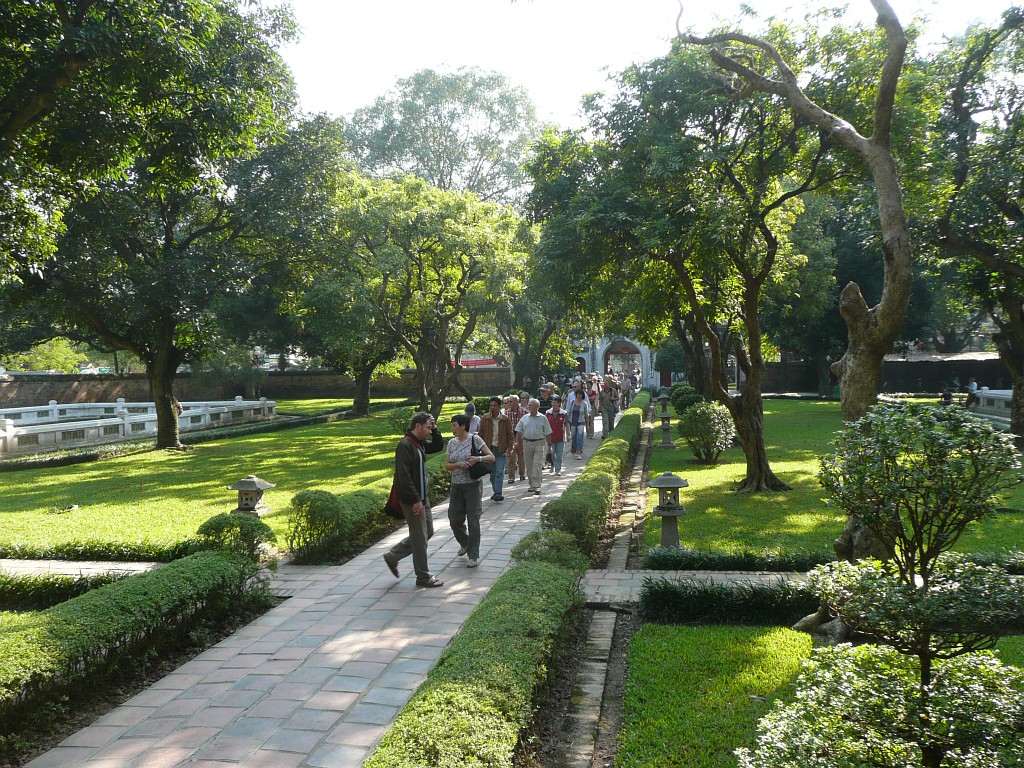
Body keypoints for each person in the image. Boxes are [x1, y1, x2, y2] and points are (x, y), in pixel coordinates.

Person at [383, 412, 445, 587]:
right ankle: (423, 576)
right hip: (413, 500)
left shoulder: (419, 443)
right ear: (417, 427)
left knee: (427, 532)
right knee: (420, 538)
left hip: (421, 498)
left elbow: (438, 446)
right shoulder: (405, 445)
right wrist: (415, 500)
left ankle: (393, 556)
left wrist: (435, 428)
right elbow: (404, 477)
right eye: (427, 428)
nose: (429, 431)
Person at [444, 413, 494, 568]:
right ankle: (466, 542)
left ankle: (473, 555)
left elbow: (491, 457)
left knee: (473, 521)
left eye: (454, 425)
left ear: (463, 426)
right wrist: (458, 464)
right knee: (454, 520)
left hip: (472, 486)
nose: (452, 428)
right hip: (456, 486)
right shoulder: (451, 443)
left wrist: (477, 459)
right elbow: (447, 466)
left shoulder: (475, 439)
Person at [514, 398, 553, 494]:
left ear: (536, 407)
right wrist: (517, 442)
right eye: (529, 404)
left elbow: (548, 433)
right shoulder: (524, 418)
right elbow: (518, 431)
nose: (528, 406)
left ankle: (537, 485)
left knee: (537, 464)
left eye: (531, 404)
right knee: (529, 465)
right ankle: (531, 484)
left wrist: (549, 446)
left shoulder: (543, 418)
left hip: (539, 443)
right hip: (526, 443)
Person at [478, 396, 512, 501]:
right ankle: (495, 491)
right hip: (489, 449)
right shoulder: (485, 418)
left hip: (500, 449)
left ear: (499, 406)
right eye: (491, 406)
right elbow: (480, 434)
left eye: (495, 406)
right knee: (492, 473)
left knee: (499, 471)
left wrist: (510, 448)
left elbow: (510, 435)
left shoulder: (505, 419)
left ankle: (498, 492)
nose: (492, 408)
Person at [505, 394, 526, 485]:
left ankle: (522, 474)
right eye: (508, 401)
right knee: (511, 458)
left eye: (510, 401)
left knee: (521, 457)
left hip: (520, 436)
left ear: (516, 402)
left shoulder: (524, 412)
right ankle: (511, 477)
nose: (508, 403)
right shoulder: (507, 413)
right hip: (510, 437)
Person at [545, 394, 569, 475]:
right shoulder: (548, 413)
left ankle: (558, 469)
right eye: (552, 402)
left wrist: (568, 434)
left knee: (559, 454)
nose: (553, 404)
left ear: (559, 403)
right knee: (552, 453)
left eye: (555, 402)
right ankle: (552, 465)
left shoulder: (564, 413)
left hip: (560, 437)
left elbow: (566, 424)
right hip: (550, 437)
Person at [566, 383, 591, 459]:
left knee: (580, 436)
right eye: (577, 394)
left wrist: (587, 425)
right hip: (573, 421)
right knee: (574, 436)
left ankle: (579, 451)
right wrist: (567, 422)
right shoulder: (572, 402)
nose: (579, 395)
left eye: (580, 394)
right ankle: (574, 448)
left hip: (581, 422)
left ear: (582, 395)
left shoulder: (584, 404)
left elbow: (586, 415)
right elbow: (568, 411)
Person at [599, 374, 619, 438]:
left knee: (611, 422)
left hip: (611, 408)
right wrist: (600, 408)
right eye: (604, 384)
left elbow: (617, 397)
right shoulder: (602, 392)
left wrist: (613, 399)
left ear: (609, 384)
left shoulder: (613, 391)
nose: (605, 385)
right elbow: (600, 400)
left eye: (606, 384)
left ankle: (611, 434)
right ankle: (605, 435)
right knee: (605, 422)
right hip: (604, 408)